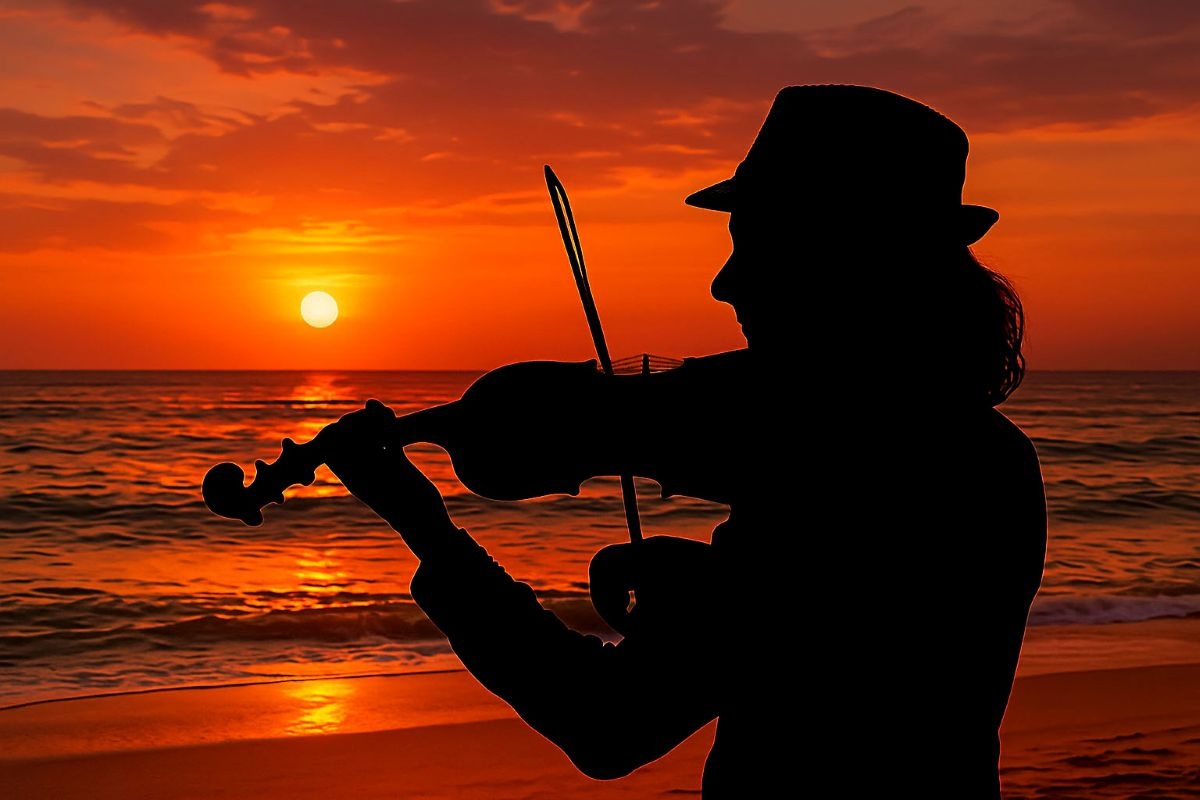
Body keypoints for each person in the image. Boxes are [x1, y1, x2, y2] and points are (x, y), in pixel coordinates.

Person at [324, 85, 1048, 798]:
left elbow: (606, 723)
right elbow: (841, 646)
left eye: (759, 249)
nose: (725, 285)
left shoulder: (843, 479)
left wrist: (430, 535)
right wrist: (698, 575)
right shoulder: (984, 459)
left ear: (845, 258)